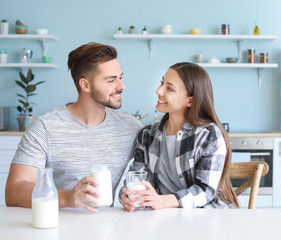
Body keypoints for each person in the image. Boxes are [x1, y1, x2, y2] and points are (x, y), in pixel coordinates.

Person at [5, 42, 142, 212]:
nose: (121, 86)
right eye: (111, 80)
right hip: (56, 227)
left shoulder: (130, 127)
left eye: (120, 77)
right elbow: (14, 191)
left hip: (106, 228)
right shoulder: (45, 128)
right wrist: (66, 197)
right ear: (85, 85)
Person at [120, 62, 239, 211]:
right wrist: (126, 196)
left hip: (205, 219)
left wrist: (162, 201)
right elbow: (136, 179)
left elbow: (205, 191)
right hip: (163, 218)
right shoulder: (147, 135)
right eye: (162, 83)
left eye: (169, 88)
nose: (158, 90)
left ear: (190, 100)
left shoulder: (208, 136)